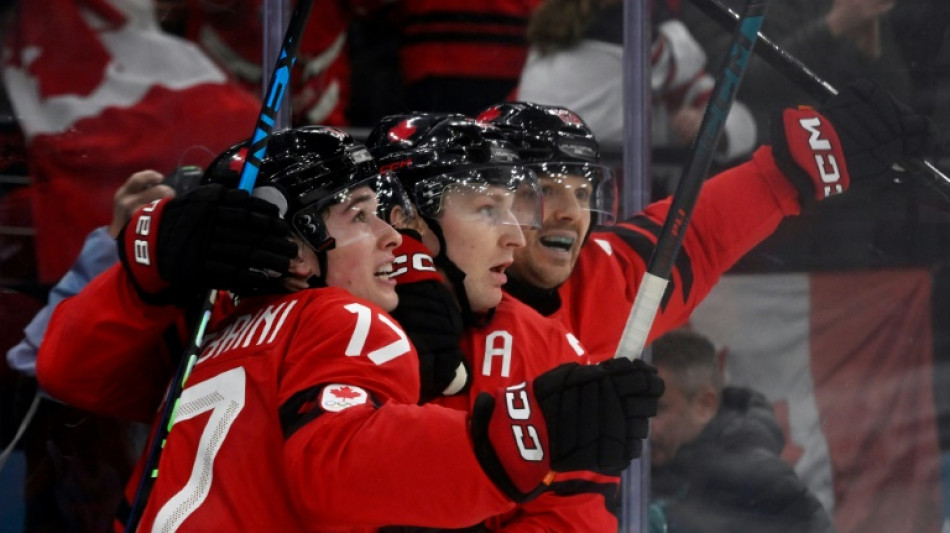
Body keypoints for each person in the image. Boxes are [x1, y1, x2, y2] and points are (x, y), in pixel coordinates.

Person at [36, 125, 660, 531]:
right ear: (294, 250)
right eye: (361, 215)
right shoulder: (341, 317)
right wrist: (519, 434)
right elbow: (337, 466)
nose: (392, 236)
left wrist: (145, 263)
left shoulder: (219, 331)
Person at [476, 79, 934, 362]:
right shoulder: (436, 309)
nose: (570, 213)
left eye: (581, 193)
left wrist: (800, 164)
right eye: (544, 190)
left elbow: (698, 235)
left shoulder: (600, 286)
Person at [365, 113, 664, 531]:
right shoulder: (321, 319)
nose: (516, 237)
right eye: (489, 209)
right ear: (406, 219)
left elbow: (574, 518)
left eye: (513, 209)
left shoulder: (543, 344)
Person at [516, 0, 757, 182]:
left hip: (534, 183)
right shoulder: (628, 33)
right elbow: (689, 59)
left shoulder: (554, 25)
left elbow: (728, 115)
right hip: (597, 195)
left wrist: (709, 125)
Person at [649, 328, 835, 533]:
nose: (644, 426)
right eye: (636, 412)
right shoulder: (643, 467)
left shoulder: (752, 476)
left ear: (704, 406)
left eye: (657, 409)